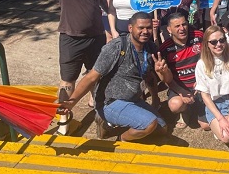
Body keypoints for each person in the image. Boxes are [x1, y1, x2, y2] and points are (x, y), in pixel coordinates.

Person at [35, 0, 107, 135]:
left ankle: (100, 111)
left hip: (96, 37)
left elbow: (103, 5)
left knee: (95, 76)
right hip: (71, 37)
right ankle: (64, 119)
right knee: (67, 82)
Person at [59, 12, 167, 141]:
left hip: (134, 100)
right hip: (110, 102)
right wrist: (71, 103)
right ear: (130, 28)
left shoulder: (150, 48)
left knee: (162, 129)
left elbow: (149, 76)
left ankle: (113, 123)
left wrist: (155, 99)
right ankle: (120, 139)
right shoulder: (116, 47)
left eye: (149, 28)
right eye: (141, 28)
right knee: (149, 125)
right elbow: (91, 77)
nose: (145, 31)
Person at [195, 25, 229, 145]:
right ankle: (222, 127)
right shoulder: (201, 65)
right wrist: (221, 119)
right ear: (207, 44)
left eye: (222, 40)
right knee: (226, 138)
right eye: (213, 42)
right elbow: (205, 96)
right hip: (216, 103)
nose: (218, 44)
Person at [157, 12, 209, 130]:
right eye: (177, 26)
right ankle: (185, 111)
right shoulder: (165, 49)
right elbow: (167, 79)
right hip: (181, 87)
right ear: (169, 29)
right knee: (175, 105)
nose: (182, 29)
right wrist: (181, 91)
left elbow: (211, 60)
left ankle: (200, 107)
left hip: (202, 84)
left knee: (206, 126)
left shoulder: (199, 36)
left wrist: (203, 81)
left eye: (184, 24)